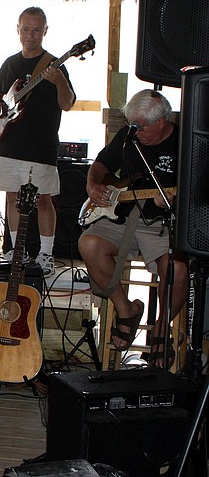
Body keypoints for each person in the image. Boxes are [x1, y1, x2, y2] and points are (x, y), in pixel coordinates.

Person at [78, 90, 187, 367]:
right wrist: (93, 185)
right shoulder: (129, 136)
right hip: (123, 218)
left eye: (142, 127)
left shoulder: (186, 140)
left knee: (177, 269)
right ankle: (126, 310)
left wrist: (175, 201)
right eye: (133, 126)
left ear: (163, 120)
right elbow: (101, 164)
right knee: (88, 243)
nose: (136, 133)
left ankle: (163, 329)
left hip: (163, 224)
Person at [0, 7, 76, 276]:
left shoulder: (55, 64)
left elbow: (67, 103)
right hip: (10, 141)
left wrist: (59, 81)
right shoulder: (10, 62)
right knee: (12, 196)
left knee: (43, 199)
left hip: (41, 144)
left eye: (36, 30)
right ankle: (16, 250)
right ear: (18, 29)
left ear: (45, 31)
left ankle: (46, 254)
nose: (30, 35)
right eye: (26, 29)